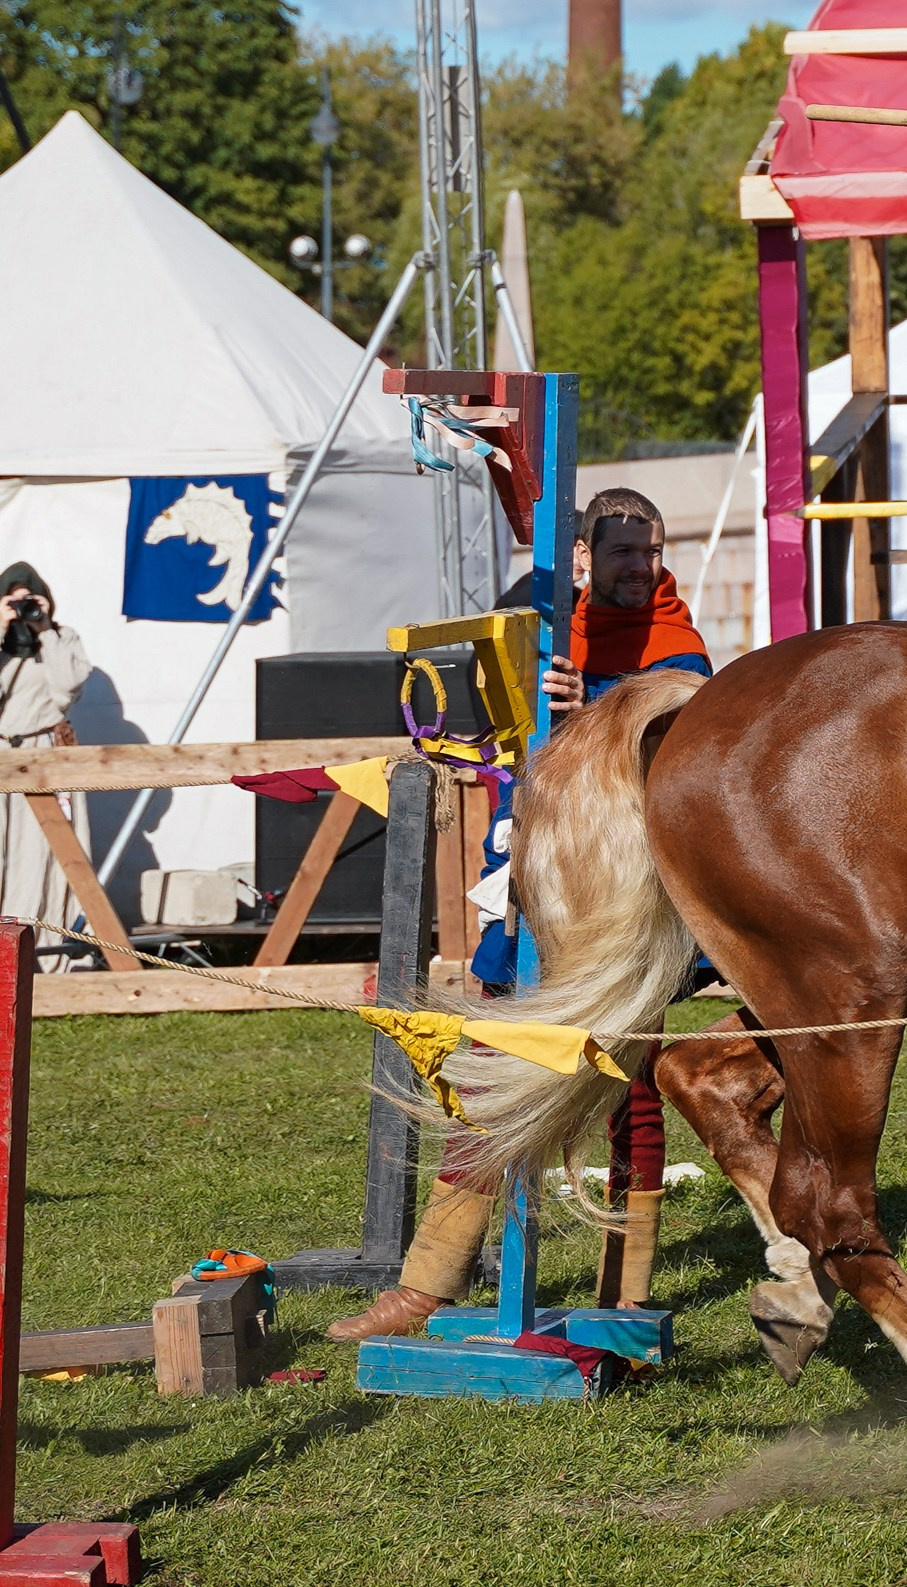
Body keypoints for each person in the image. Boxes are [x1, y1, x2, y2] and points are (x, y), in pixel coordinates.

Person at [326, 488, 712, 1341]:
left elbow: (677, 735)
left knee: (628, 1089)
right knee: (488, 1075)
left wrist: (597, 706)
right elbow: (505, 739)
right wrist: (535, 701)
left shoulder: (680, 647)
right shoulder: (539, 633)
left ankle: (625, 1296)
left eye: (648, 552)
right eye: (620, 552)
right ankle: (425, 1285)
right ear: (581, 558)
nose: (638, 568)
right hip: (534, 887)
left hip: (621, 900)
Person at [0, 564, 92, 972]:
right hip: (2, 755)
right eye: (12, 600)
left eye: (29, 599)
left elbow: (67, 686)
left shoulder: (61, 638)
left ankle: (40, 949)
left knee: (42, 854)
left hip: (42, 755)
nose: (21, 608)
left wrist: (46, 630)